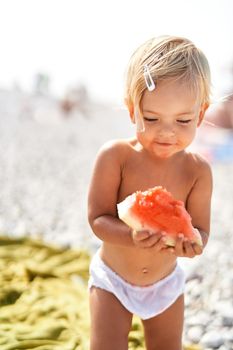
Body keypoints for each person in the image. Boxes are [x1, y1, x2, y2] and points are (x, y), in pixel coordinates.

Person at [87, 35, 213, 350]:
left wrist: (192, 245)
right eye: (152, 118)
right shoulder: (115, 157)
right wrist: (130, 235)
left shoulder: (197, 171)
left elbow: (200, 230)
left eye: (183, 120)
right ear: (133, 110)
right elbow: (97, 218)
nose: (167, 131)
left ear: (200, 115)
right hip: (112, 281)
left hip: (165, 285)